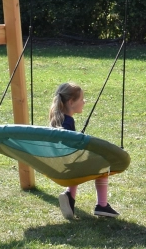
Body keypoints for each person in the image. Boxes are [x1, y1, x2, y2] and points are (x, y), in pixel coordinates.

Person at [49, 82, 119, 220]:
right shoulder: (67, 122)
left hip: (59, 165)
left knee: (76, 164)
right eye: (81, 99)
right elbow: (68, 145)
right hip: (69, 165)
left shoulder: (57, 120)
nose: (84, 102)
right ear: (71, 102)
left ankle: (70, 197)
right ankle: (102, 205)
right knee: (103, 165)